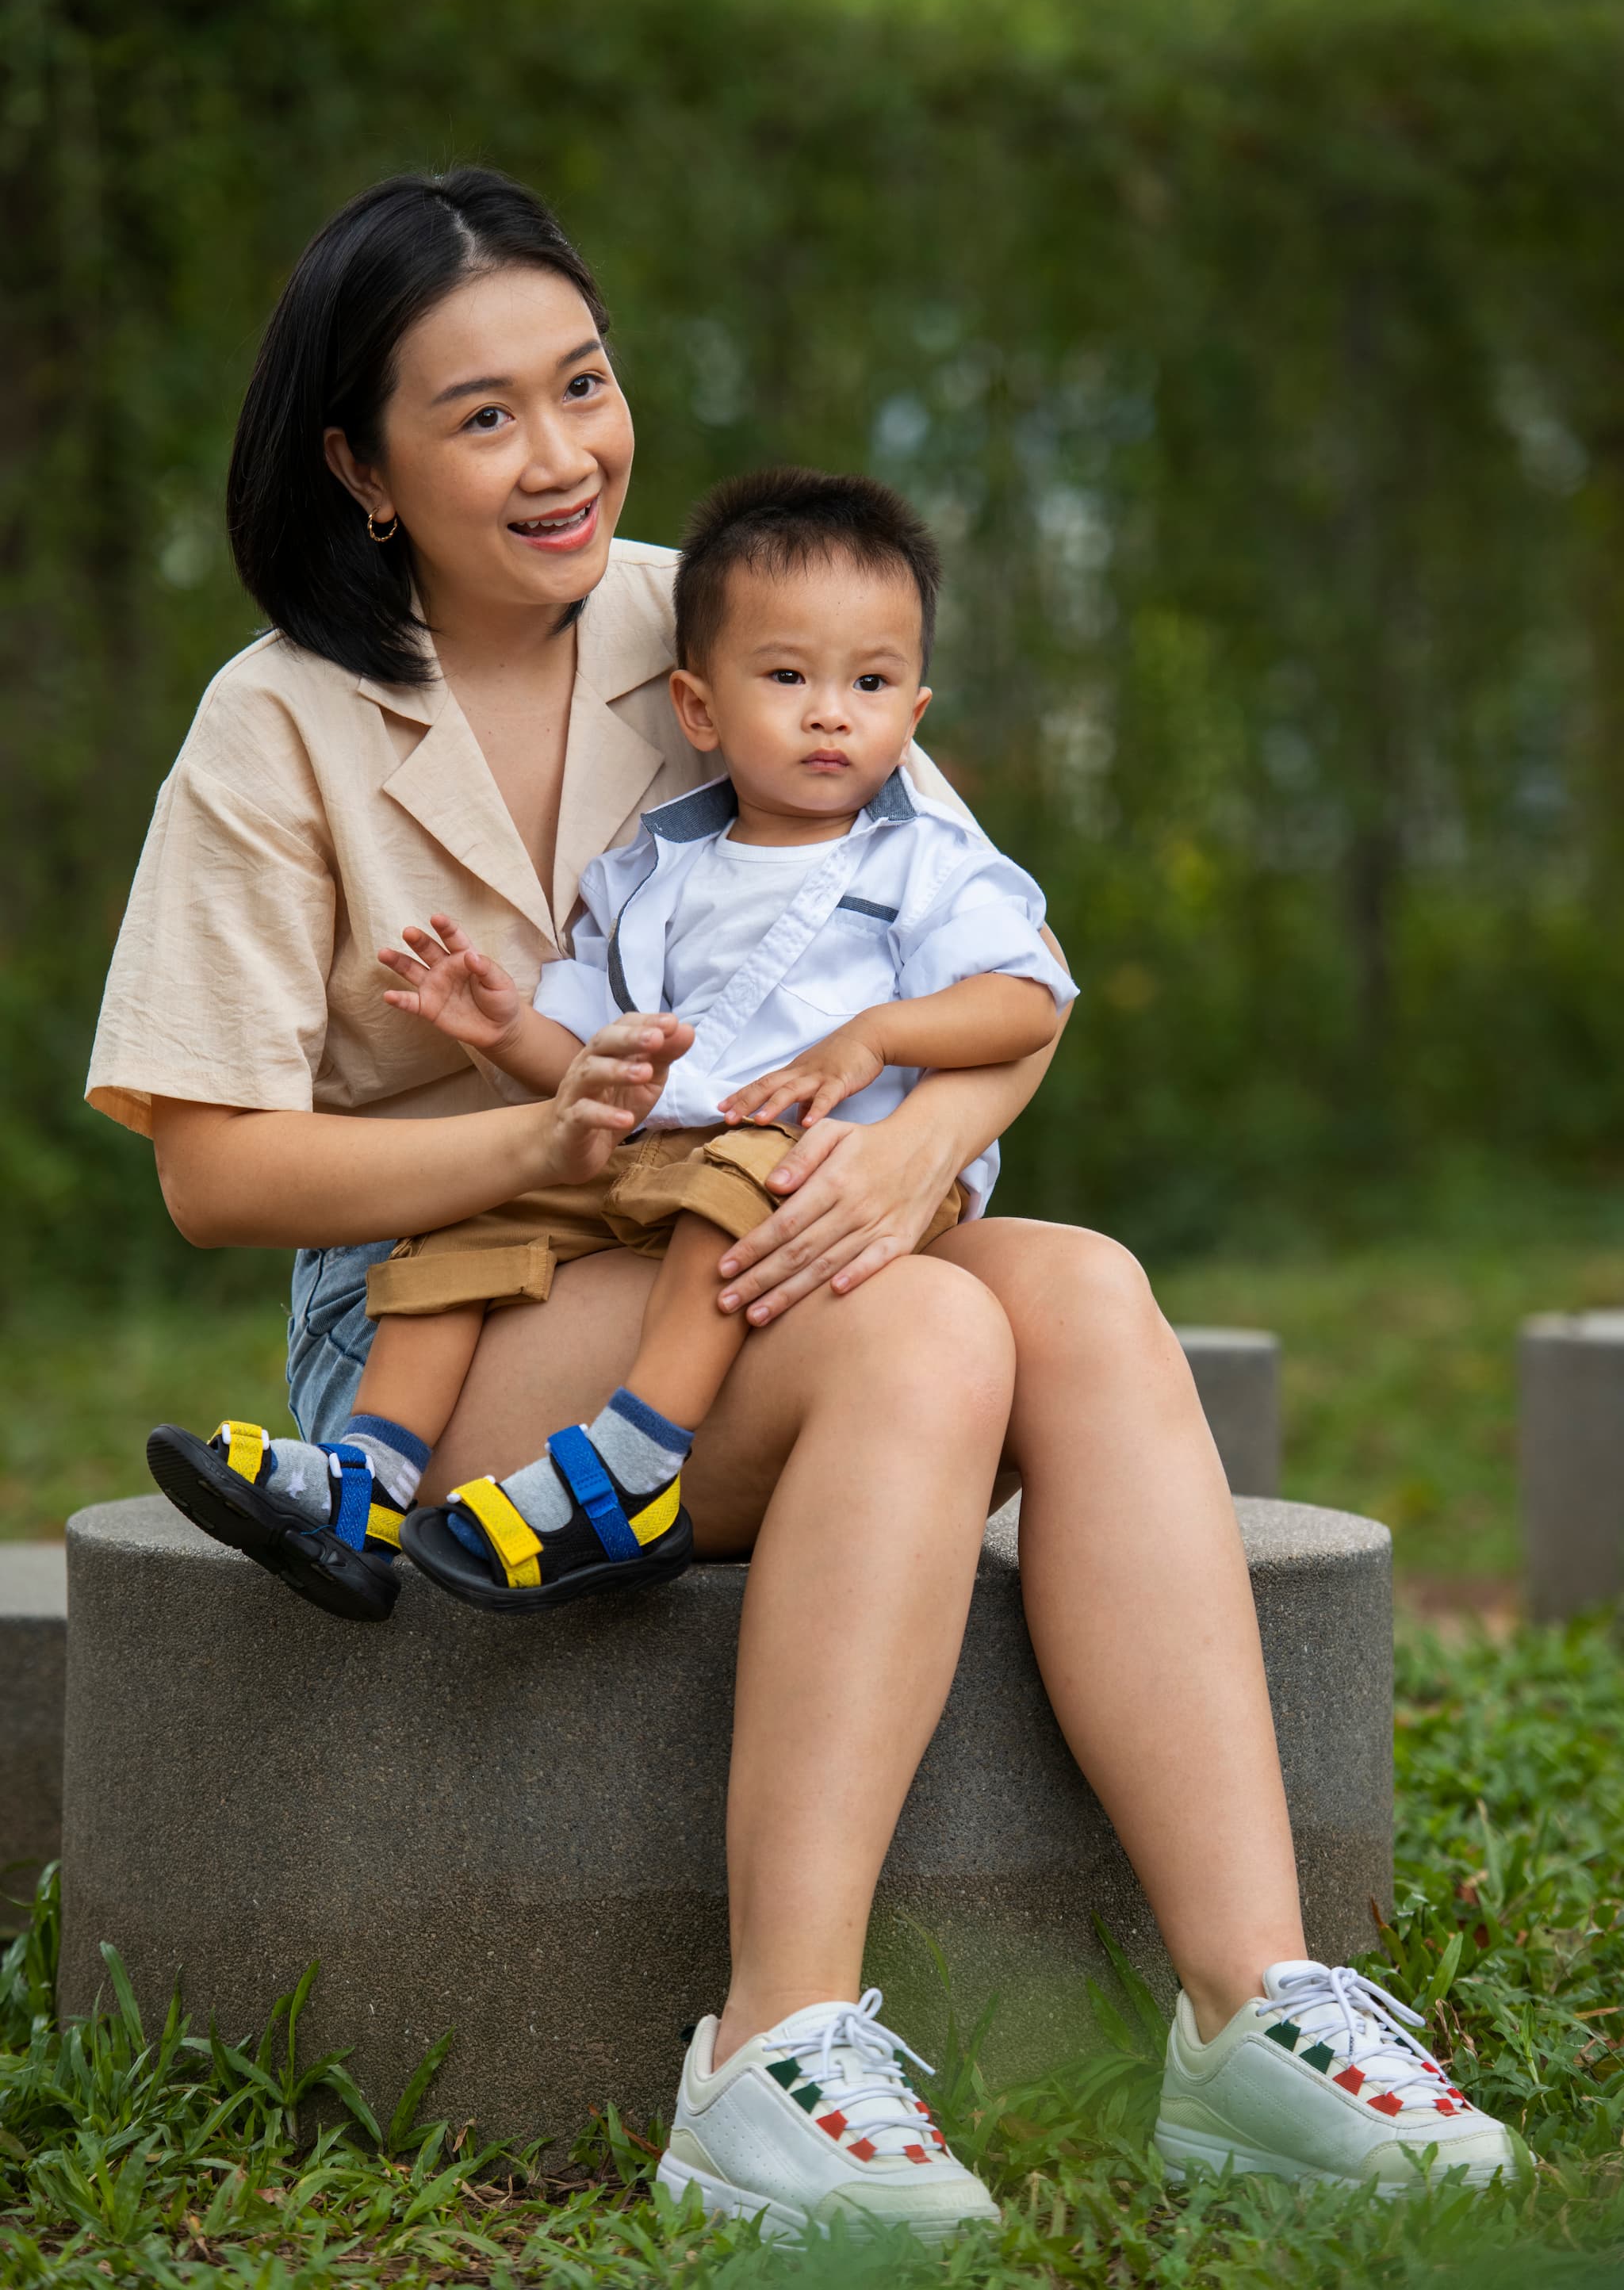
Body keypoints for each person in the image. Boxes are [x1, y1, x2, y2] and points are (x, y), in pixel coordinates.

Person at [87, 167, 1526, 2240]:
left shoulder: (731, 609)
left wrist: (922, 1151)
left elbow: (1003, 990)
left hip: (770, 1225)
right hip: (451, 1315)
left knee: (1090, 1290)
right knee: (933, 1329)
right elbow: (213, 1174)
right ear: (359, 466)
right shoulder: (277, 723)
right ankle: (773, 2053)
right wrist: (541, 1140)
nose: (563, 453)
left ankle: (1256, 2020)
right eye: (480, 415)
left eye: (584, 384)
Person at [146, 465, 1074, 1618]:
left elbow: (1030, 1001)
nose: (832, 710)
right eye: (788, 679)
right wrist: (509, 1030)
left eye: (871, 684)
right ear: (701, 708)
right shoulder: (656, 872)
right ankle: (368, 1473)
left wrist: (881, 1042)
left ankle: (635, 1463)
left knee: (735, 1190)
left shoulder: (923, 857)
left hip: (797, 1162)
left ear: (912, 710)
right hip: (646, 1163)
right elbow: (594, 1078)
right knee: (461, 1225)